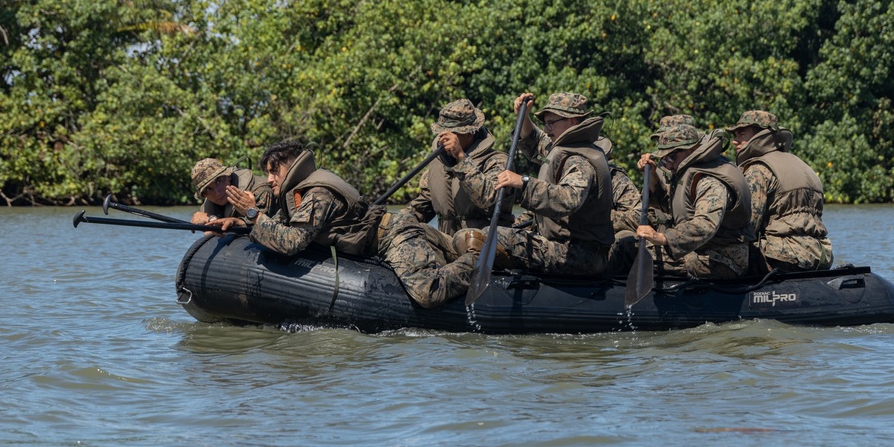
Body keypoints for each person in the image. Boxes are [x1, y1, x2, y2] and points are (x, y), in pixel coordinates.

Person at [210, 140, 475, 308]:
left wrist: (254, 213)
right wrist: (239, 218)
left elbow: (291, 242)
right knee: (448, 250)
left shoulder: (317, 194)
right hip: (382, 237)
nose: (268, 180)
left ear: (290, 170)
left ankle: (474, 260)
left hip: (394, 234)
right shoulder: (296, 195)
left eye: (273, 172)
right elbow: (278, 226)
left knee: (428, 293)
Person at [457, 92, 614, 275]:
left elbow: (567, 199)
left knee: (486, 237)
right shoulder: (564, 147)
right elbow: (535, 141)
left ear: (572, 121)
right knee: (478, 235)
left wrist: (523, 183)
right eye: (545, 124)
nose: (547, 129)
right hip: (566, 247)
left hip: (580, 255)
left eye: (551, 123)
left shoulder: (579, 159)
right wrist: (523, 117)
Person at [635, 123, 753, 279]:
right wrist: (652, 179)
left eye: (671, 157)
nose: (668, 165)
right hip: (701, 252)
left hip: (722, 260)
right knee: (629, 244)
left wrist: (664, 238)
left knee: (636, 252)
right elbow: (674, 205)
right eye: (664, 159)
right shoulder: (690, 173)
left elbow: (705, 224)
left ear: (691, 150)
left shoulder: (710, 180)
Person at [727, 110, 833, 273]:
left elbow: (747, 228)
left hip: (782, 257)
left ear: (759, 136)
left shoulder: (758, 170)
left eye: (741, 134)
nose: (735, 141)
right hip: (821, 255)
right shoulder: (804, 166)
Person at [407, 99, 514, 234]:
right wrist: (392, 221)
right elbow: (422, 208)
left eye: (452, 134)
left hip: (485, 244)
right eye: (441, 132)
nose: (444, 139)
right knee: (408, 232)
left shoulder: (497, 161)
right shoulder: (438, 163)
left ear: (470, 133)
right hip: (448, 245)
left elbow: (487, 199)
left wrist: (461, 158)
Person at [190, 158, 273, 224]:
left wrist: (214, 220)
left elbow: (265, 229)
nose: (217, 192)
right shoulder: (210, 205)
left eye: (219, 181)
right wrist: (209, 221)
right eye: (208, 189)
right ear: (204, 195)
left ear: (228, 176)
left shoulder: (260, 191)